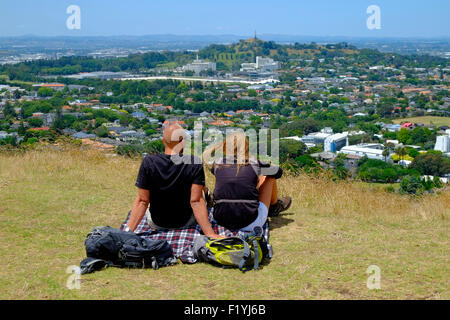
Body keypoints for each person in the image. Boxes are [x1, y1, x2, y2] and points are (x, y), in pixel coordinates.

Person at [124, 123, 222, 239]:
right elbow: (196, 202)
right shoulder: (193, 163)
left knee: (142, 196)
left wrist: (127, 231)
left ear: (163, 141)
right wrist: (210, 233)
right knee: (200, 192)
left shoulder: (149, 162)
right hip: (185, 222)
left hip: (157, 223)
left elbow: (142, 202)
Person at [203, 132, 292, 232]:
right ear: (246, 146)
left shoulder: (218, 163)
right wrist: (262, 169)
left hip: (221, 221)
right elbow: (278, 172)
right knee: (269, 177)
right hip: (250, 223)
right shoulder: (254, 162)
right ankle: (274, 207)